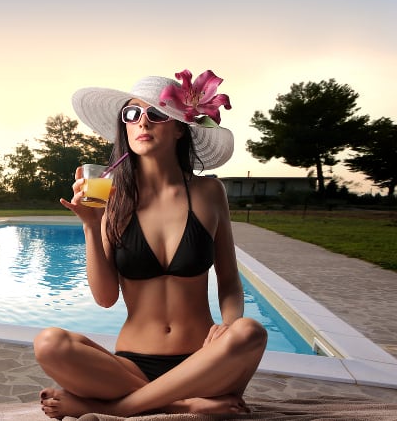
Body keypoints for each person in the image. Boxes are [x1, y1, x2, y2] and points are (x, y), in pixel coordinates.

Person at [34, 70, 268, 418]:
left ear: (178, 128)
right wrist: (90, 225)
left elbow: (230, 283)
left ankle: (113, 408)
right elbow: (105, 297)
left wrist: (228, 325)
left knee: (250, 331)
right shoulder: (112, 199)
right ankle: (180, 405)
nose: (142, 122)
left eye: (156, 114)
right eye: (132, 114)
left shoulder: (208, 193)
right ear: (124, 126)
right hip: (132, 366)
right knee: (49, 343)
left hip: (203, 362)